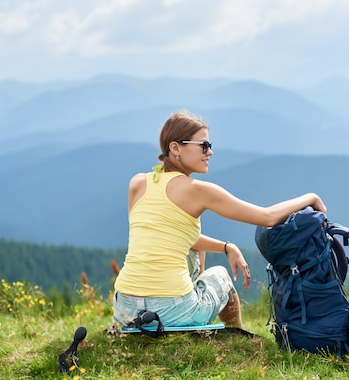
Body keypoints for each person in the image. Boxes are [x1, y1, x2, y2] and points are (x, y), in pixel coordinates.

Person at [113, 110, 326, 329]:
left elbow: (168, 235)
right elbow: (267, 217)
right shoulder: (197, 190)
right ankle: (238, 336)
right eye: (203, 146)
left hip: (125, 309)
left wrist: (226, 247)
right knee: (221, 274)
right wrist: (311, 197)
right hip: (173, 312)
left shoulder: (137, 183)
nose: (210, 152)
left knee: (194, 250)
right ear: (175, 148)